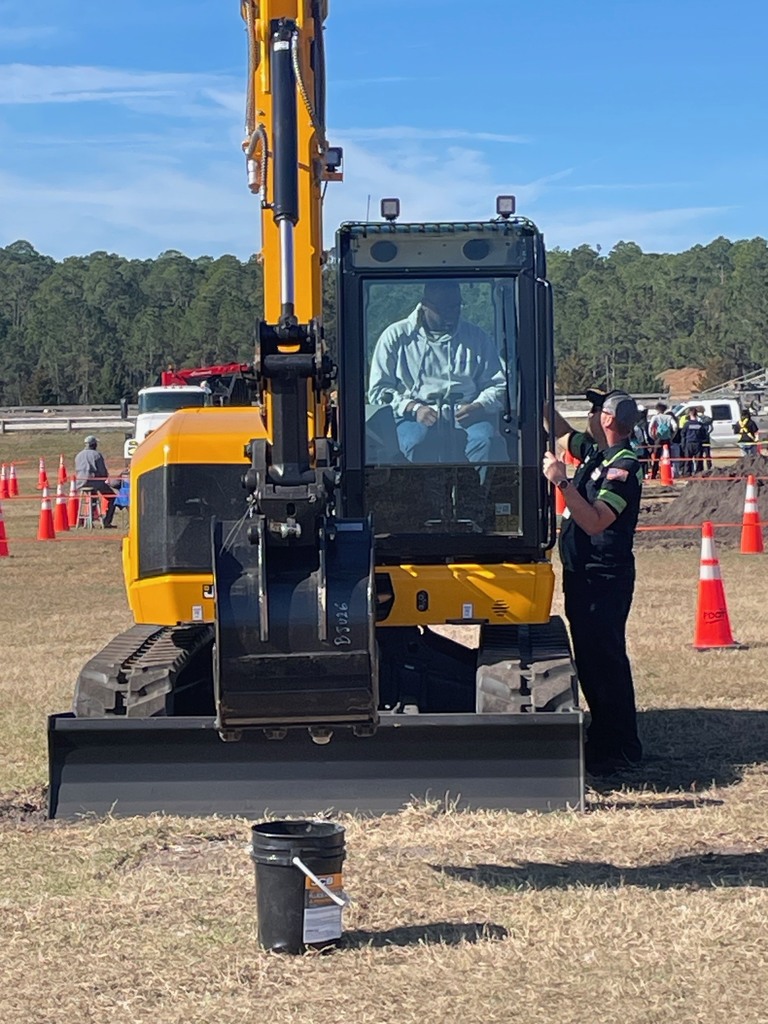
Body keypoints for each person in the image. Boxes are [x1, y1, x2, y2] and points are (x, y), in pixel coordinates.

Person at [543, 388, 644, 775]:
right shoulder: (597, 453)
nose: (588, 416)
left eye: (595, 410)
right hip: (585, 574)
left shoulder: (623, 466)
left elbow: (596, 519)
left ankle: (619, 746)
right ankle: (603, 735)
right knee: (589, 658)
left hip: (604, 576)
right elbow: (564, 434)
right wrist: (540, 405)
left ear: (606, 419)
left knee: (605, 659)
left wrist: (561, 483)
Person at [368, 281, 508, 468]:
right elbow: (378, 392)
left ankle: (478, 495)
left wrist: (479, 406)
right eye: (445, 308)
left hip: (467, 415)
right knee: (415, 442)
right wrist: (414, 408)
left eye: (456, 307)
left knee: (486, 441)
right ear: (425, 305)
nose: (452, 313)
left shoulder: (477, 337)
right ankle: (418, 495)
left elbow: (497, 385)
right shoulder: (396, 337)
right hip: (413, 416)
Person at [74, 435, 117, 528]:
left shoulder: (79, 455)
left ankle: (88, 520)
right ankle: (107, 521)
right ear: (94, 444)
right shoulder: (96, 455)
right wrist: (106, 479)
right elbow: (102, 471)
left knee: (93, 497)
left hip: (81, 483)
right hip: (95, 482)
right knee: (112, 497)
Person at [647, 402, 677, 480]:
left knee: (656, 458)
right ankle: (669, 474)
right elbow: (675, 426)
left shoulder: (655, 417)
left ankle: (654, 475)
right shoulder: (669, 417)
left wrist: (653, 436)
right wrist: (672, 436)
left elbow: (650, 428)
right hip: (667, 439)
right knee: (668, 457)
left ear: (657, 409)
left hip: (658, 439)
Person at [680, 406, 707, 475]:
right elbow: (704, 435)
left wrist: (683, 445)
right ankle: (699, 473)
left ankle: (687, 474)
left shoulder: (686, 425)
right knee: (699, 460)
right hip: (698, 443)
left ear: (689, 414)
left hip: (689, 444)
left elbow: (683, 435)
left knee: (688, 460)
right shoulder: (700, 425)